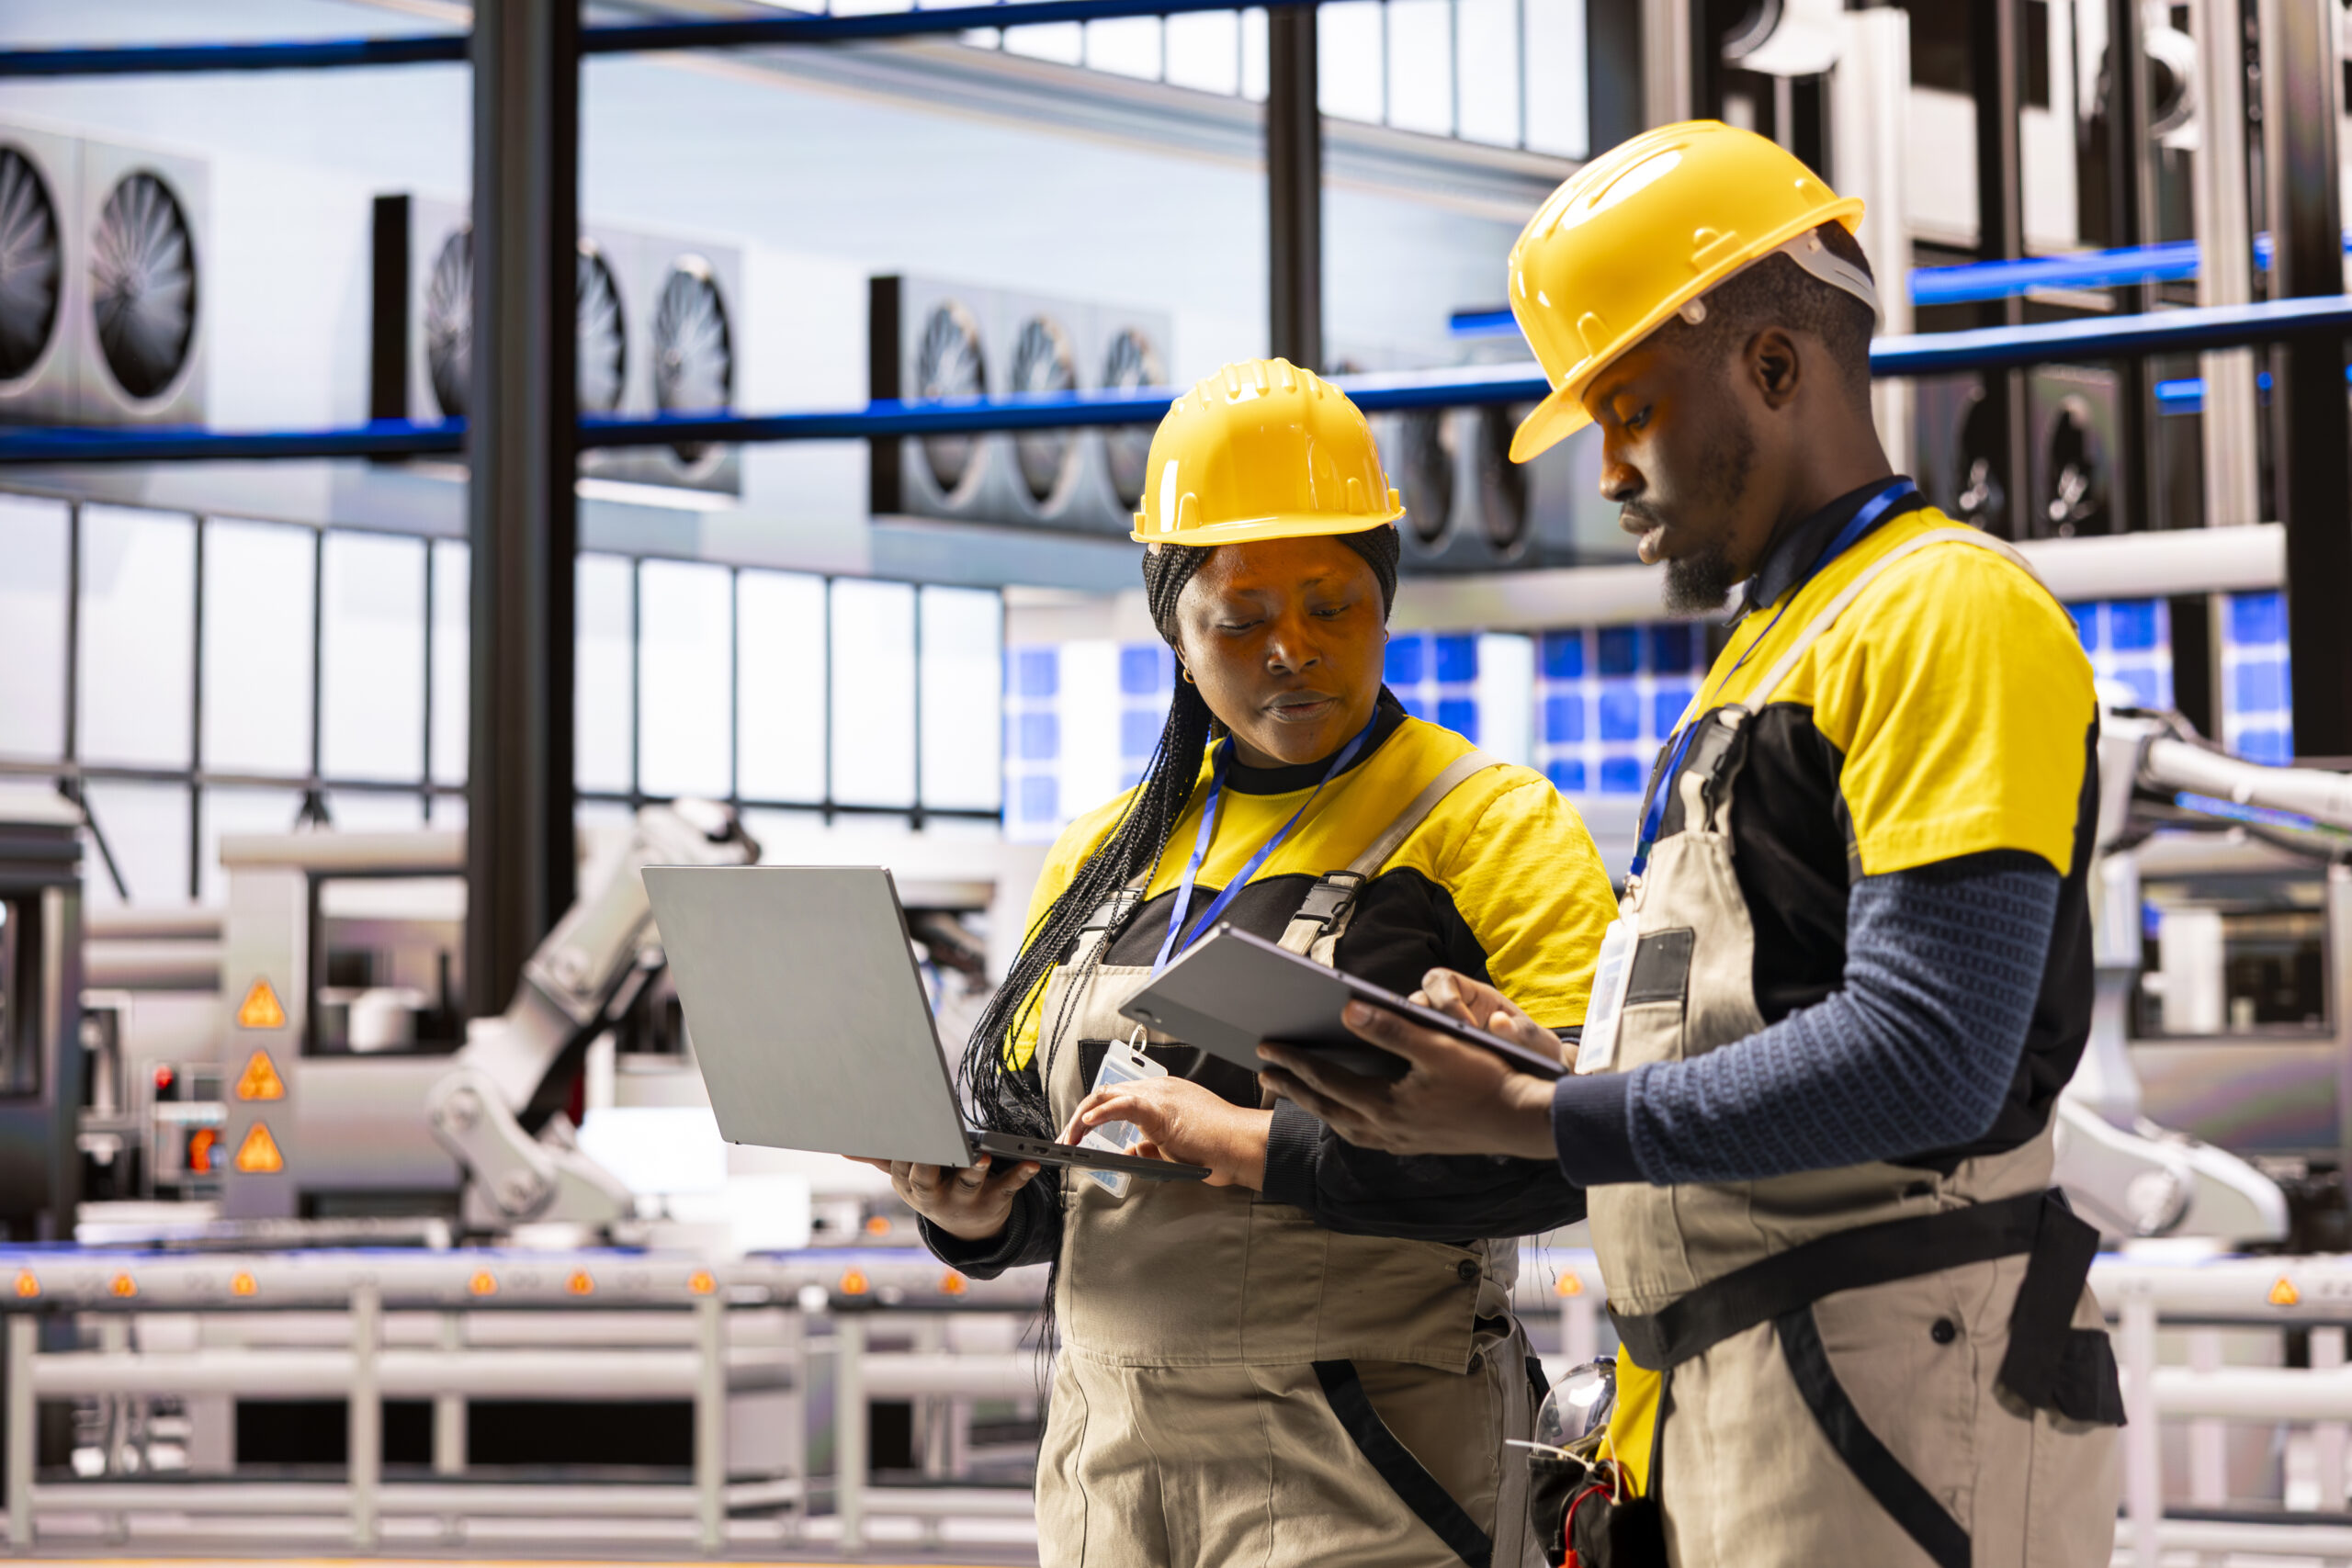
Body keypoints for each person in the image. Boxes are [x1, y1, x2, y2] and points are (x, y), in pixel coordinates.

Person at [1256, 123, 2124, 1568]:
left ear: (1773, 370)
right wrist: (1548, 1061)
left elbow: (1931, 1056)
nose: (1606, 470)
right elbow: (1762, 1012)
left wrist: (1541, 1120)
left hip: (1897, 1393)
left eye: (1630, 412)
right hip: (1744, 1392)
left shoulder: (1944, 614)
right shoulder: (1768, 656)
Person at [869, 357, 1616, 1568]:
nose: (1291, 651)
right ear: (1174, 630)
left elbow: (1583, 1150)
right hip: (1112, 1468)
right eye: (1240, 618)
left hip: (1362, 1464)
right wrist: (968, 1213)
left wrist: (1264, 1148)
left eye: (1332, 606)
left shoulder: (1485, 825)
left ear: (1388, 603)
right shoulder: (1105, 856)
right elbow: (1064, 1189)